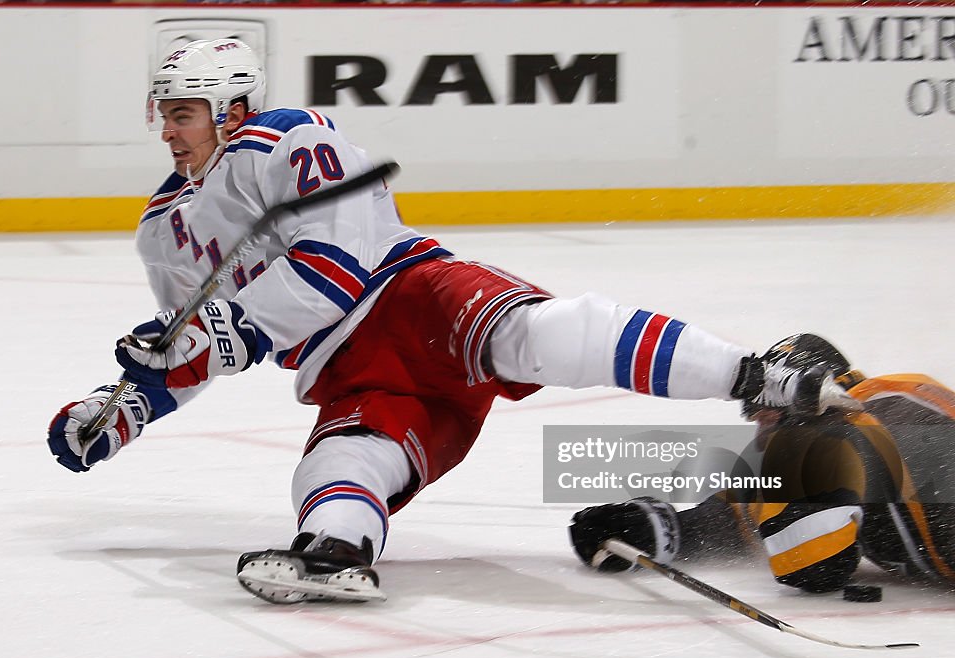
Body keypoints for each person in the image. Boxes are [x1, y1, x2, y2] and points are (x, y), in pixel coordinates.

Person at [47, 39, 855, 604]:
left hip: (412, 297)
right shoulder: (162, 229)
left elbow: (339, 260)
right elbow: (191, 343)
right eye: (164, 111)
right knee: (342, 462)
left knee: (544, 335)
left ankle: (757, 374)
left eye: (183, 112)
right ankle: (336, 556)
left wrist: (237, 329)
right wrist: (123, 409)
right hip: (347, 371)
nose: (166, 129)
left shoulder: (287, 138)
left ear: (232, 108)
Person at [570, 334, 955, 593]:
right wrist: (656, 528)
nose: (760, 436)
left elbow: (815, 568)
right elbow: (740, 516)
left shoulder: (870, 413)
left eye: (766, 418)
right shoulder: (848, 434)